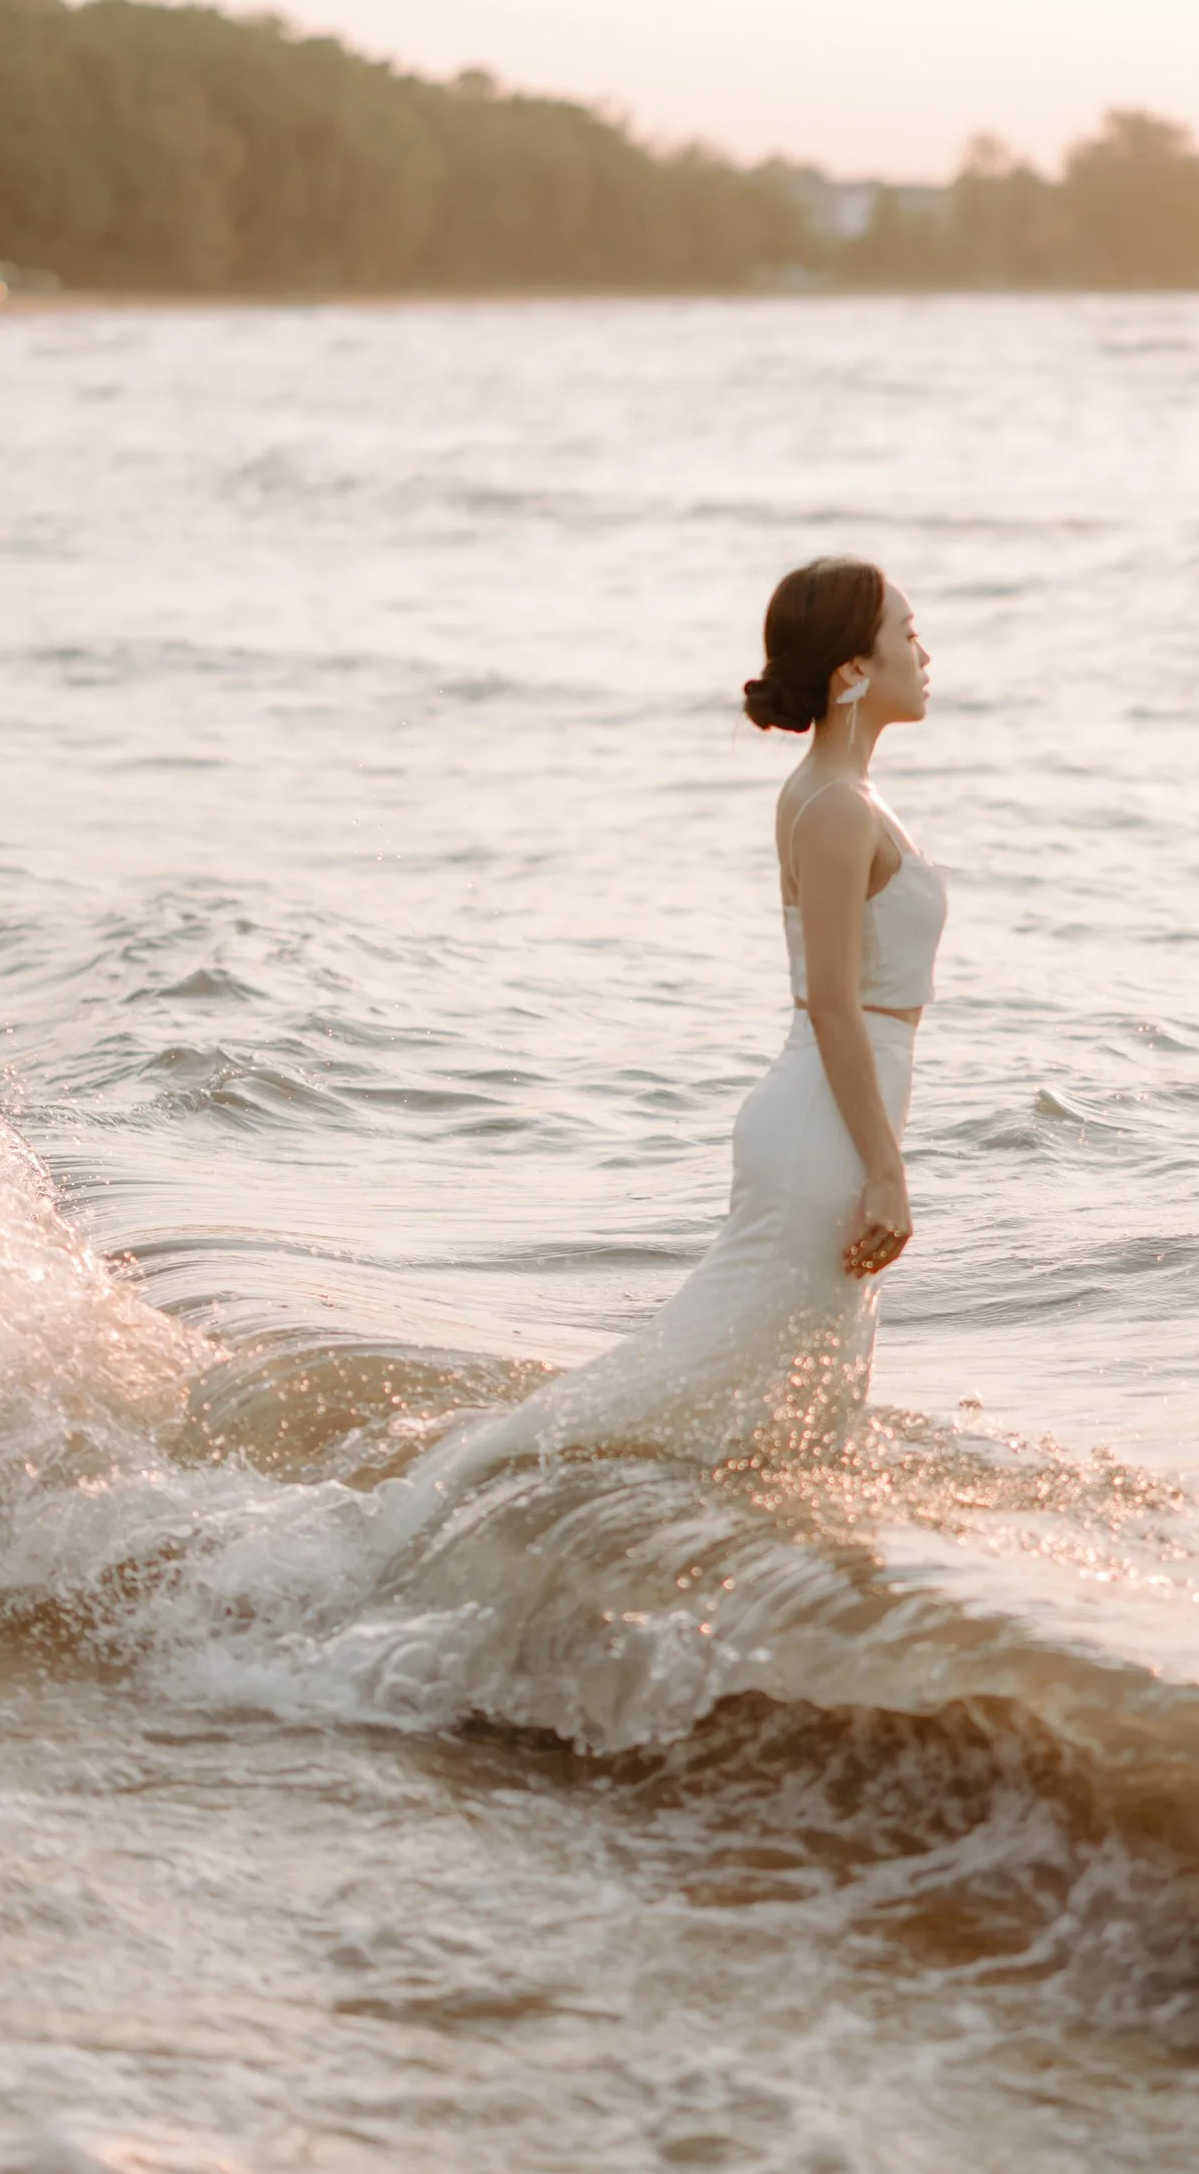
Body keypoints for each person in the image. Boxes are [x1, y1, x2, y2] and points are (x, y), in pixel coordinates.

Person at [394, 558, 944, 1482]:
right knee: (699, 1370)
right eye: (907, 633)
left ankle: (772, 1569)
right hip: (828, 1128)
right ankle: (471, 1479)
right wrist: (888, 1171)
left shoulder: (837, 796)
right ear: (853, 671)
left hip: (833, 1117)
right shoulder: (839, 810)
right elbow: (834, 1007)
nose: (925, 654)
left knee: (807, 1398)